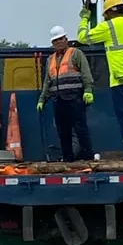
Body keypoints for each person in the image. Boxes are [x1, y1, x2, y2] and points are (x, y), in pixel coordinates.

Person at [77, 0, 123, 160]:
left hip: (121, 79)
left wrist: (84, 19)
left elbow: (83, 38)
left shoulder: (109, 26)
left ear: (108, 12)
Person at [36, 25, 94, 162]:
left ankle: (88, 158)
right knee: (63, 132)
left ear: (66, 39)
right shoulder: (50, 59)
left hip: (75, 98)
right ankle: (68, 159)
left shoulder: (76, 53)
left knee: (81, 129)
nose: (58, 42)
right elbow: (47, 82)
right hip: (58, 100)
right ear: (52, 43)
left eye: (60, 39)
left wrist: (88, 90)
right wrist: (42, 100)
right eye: (55, 40)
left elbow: (86, 73)